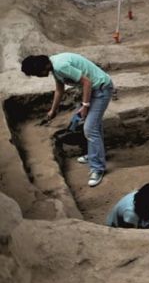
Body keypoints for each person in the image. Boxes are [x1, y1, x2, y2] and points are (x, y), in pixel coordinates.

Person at [21, 53, 113, 187]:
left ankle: (98, 168)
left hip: (101, 89)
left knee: (89, 128)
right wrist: (53, 110)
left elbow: (86, 82)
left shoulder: (60, 66)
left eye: (37, 74)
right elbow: (59, 90)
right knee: (94, 126)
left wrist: (85, 106)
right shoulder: (54, 66)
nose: (38, 76)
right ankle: (95, 154)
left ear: (42, 68)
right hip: (94, 90)